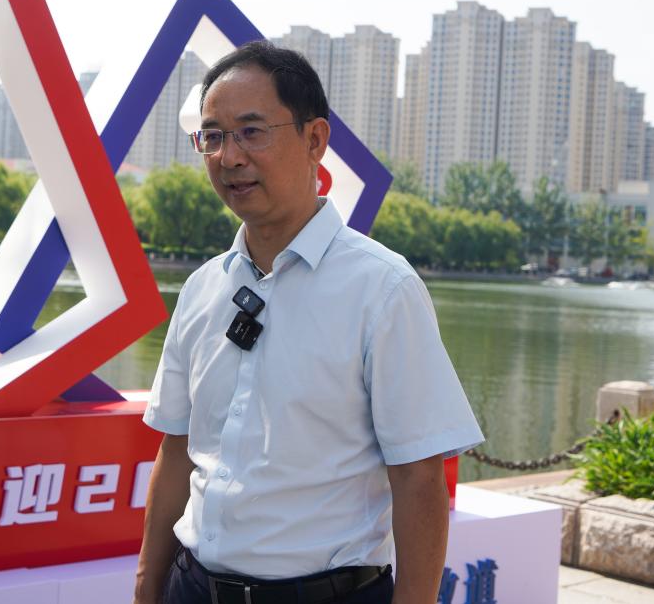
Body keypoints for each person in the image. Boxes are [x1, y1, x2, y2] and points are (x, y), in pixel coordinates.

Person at [134, 40, 483, 604]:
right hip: (192, 587)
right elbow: (177, 451)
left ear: (315, 139)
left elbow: (419, 479)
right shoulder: (201, 289)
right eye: (213, 136)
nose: (229, 156)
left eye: (251, 131)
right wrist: (146, 589)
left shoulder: (382, 289)